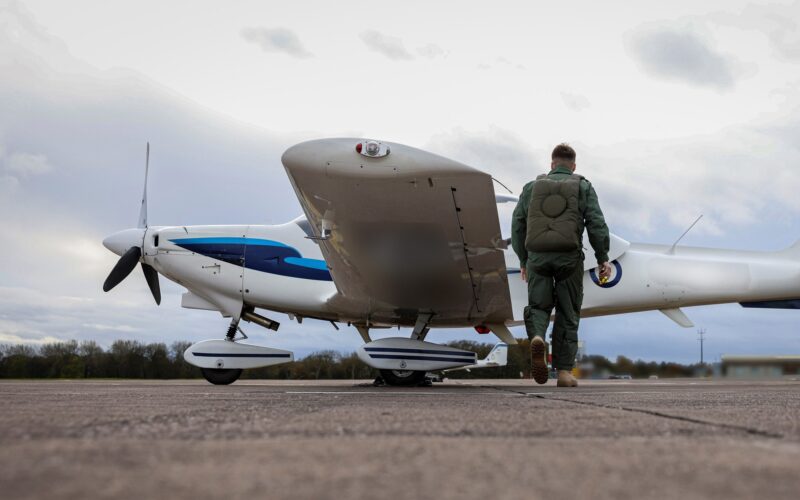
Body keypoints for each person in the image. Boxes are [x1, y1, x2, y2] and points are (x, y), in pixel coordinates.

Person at [511, 143, 611, 387]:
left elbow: (517, 224)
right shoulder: (583, 186)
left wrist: (523, 259)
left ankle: (537, 337)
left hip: (537, 257)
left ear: (552, 164)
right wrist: (602, 257)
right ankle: (565, 373)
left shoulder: (531, 188)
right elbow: (596, 223)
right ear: (573, 166)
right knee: (568, 312)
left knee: (538, 306)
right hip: (569, 258)